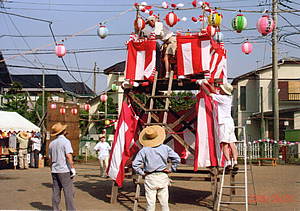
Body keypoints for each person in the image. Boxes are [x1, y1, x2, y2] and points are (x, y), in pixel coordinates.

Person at [132, 125, 181, 211]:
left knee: (150, 203)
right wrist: (171, 169)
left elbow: (135, 164)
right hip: (162, 175)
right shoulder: (165, 148)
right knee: (164, 203)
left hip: (150, 176)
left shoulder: (144, 150)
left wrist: (141, 172)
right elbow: (177, 159)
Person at [200, 80, 239, 172]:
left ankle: (229, 162)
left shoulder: (223, 98)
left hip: (224, 123)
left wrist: (202, 84)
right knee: (232, 144)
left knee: (224, 144)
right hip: (230, 123)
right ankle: (235, 162)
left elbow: (209, 94)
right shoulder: (226, 97)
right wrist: (208, 84)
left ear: (224, 91)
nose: (219, 89)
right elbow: (214, 91)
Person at [49, 123, 76, 211]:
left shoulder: (52, 143)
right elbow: (68, 155)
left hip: (54, 169)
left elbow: (50, 158)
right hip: (64, 169)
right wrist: (72, 167)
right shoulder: (66, 141)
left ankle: (55, 209)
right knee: (68, 191)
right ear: (63, 131)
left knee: (56, 191)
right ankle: (70, 209)